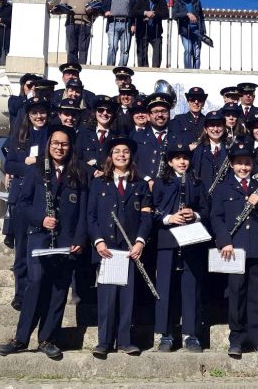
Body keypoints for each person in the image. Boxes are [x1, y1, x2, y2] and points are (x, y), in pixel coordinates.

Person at [0, 124, 87, 359]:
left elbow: (85, 210)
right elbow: (22, 205)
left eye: (64, 144)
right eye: (56, 143)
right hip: (39, 237)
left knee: (58, 290)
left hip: (66, 241)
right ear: (49, 145)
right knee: (35, 285)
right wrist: (41, 219)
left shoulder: (79, 172)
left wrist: (79, 238)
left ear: (71, 147)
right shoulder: (36, 170)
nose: (60, 147)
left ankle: (48, 338)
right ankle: (20, 338)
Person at [88, 137, 152, 357]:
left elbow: (146, 218)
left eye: (125, 151)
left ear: (131, 156)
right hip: (107, 250)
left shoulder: (140, 185)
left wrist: (140, 241)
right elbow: (91, 216)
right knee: (106, 298)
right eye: (116, 152)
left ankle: (125, 340)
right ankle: (104, 342)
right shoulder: (98, 183)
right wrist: (98, 241)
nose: (121, 155)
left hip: (129, 251)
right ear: (110, 156)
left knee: (127, 298)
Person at [210, 138, 258, 360]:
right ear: (232, 164)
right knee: (236, 293)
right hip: (233, 248)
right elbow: (216, 218)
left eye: (247, 163)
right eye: (239, 163)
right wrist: (224, 241)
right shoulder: (223, 188)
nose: (244, 167)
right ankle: (236, 338)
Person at [152, 142, 209, 352]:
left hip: (191, 241)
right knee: (165, 288)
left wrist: (194, 215)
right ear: (170, 162)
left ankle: (191, 334)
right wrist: (169, 218)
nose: (182, 162)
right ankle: (166, 334)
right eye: (177, 158)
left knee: (191, 287)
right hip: (167, 241)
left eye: (185, 158)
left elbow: (206, 210)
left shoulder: (198, 182)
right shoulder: (161, 182)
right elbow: (153, 211)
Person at [4, 97, 50, 311]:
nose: (39, 116)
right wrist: (29, 166)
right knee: (21, 249)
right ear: (28, 115)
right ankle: (20, 293)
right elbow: (10, 165)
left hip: (42, 198)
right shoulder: (19, 136)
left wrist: (38, 163)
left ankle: (39, 290)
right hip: (21, 198)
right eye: (35, 113)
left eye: (42, 112)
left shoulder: (51, 135)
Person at [132, 93, 178, 190]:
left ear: (169, 114)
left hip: (170, 189)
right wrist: (147, 179)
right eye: (155, 112)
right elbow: (131, 163)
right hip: (143, 188)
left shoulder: (177, 136)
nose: (160, 115)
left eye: (164, 111)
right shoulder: (137, 136)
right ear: (148, 116)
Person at [55, 0, 96, 64]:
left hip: (85, 24)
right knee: (72, 48)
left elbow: (96, 11)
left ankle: (82, 69)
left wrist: (92, 10)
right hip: (71, 23)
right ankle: (72, 68)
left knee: (83, 49)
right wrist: (56, 9)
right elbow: (62, 6)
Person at [75, 95, 119, 180]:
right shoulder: (83, 135)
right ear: (95, 112)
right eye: (101, 110)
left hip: (109, 182)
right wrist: (92, 171)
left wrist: (106, 172)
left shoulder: (117, 138)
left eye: (109, 111)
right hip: (86, 181)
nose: (105, 113)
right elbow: (76, 159)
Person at [101, 0, 136, 66]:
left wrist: (133, 24)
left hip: (126, 25)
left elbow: (134, 12)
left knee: (125, 49)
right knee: (112, 47)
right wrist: (105, 12)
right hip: (113, 24)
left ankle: (122, 69)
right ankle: (109, 67)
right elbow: (102, 8)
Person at [132, 0, 169, 68]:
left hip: (156, 32)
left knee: (158, 52)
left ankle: (156, 70)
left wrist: (154, 14)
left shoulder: (161, 0)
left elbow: (165, 14)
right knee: (142, 52)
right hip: (142, 31)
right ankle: (143, 70)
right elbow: (134, 12)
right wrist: (145, 13)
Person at [191, 110, 228, 193]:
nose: (215, 129)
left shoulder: (229, 149)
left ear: (224, 128)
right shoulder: (199, 150)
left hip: (225, 198)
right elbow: (195, 175)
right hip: (204, 198)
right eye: (211, 125)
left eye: (219, 125)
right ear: (205, 129)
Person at [172, 0, 206, 69]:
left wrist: (203, 31)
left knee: (197, 53)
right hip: (184, 30)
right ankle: (188, 70)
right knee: (188, 50)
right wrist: (187, 14)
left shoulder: (196, 1)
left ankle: (196, 71)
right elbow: (174, 15)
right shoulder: (177, 1)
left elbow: (201, 17)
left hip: (197, 30)